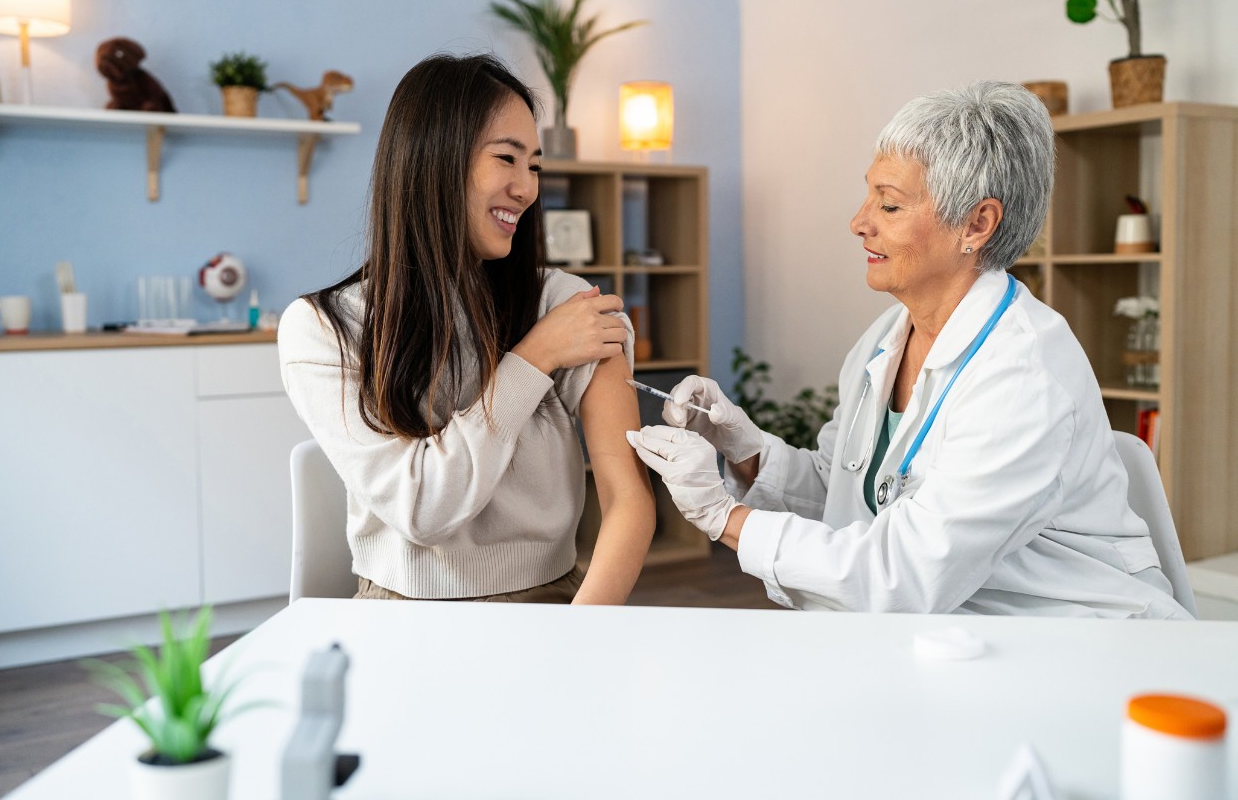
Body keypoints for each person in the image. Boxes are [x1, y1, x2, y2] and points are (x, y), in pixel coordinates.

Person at [628, 81, 1190, 618]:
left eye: (889, 206)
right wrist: (745, 450)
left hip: (1073, 640)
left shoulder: (1023, 376)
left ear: (977, 224)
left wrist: (721, 516)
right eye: (867, 196)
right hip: (953, 626)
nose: (858, 223)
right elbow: (847, 492)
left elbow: (905, 576)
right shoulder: (885, 340)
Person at [280, 53, 655, 605]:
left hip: (551, 605)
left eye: (534, 166)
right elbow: (423, 509)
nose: (527, 189)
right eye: (507, 158)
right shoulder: (326, 327)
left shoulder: (568, 305)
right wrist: (531, 361)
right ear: (433, 160)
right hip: (398, 619)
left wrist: (579, 638)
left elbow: (630, 503)